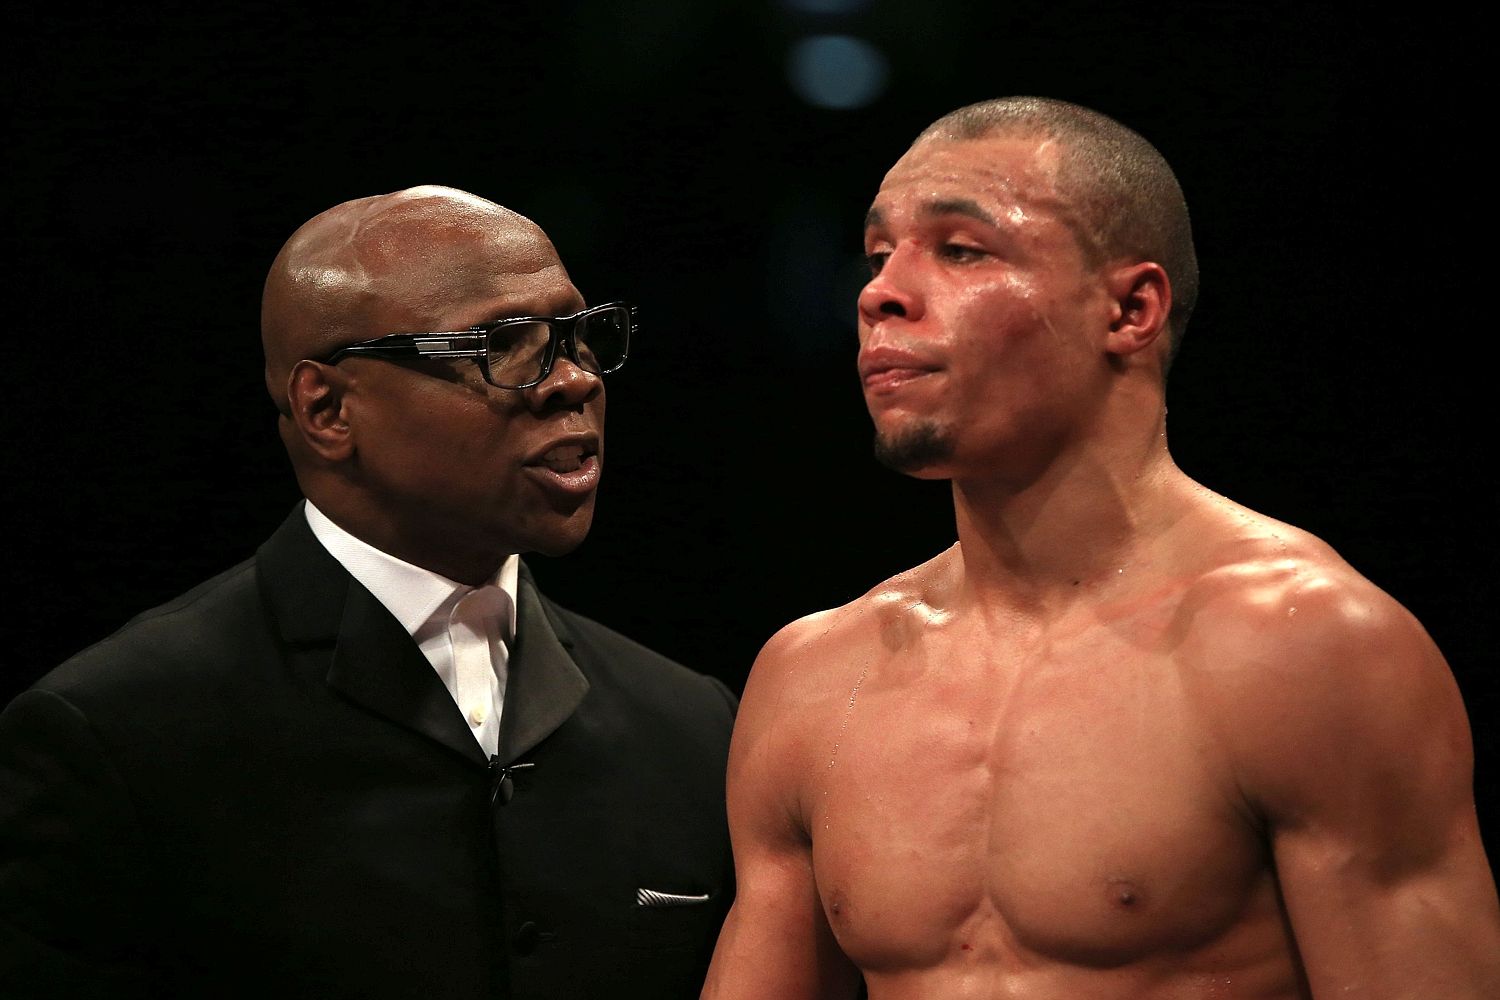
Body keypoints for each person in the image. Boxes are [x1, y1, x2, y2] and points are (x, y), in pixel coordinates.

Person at [703, 98, 1499, 999]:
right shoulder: (813, 680)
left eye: (961, 250)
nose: (879, 291)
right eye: (880, 254)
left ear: (1130, 308)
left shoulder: (1308, 646)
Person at [0, 186, 736, 999]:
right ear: (327, 409)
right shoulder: (117, 730)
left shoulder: (695, 727)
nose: (573, 382)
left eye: (581, 336)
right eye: (506, 343)